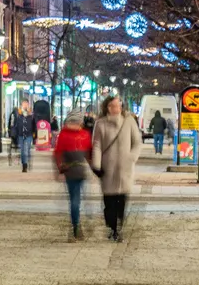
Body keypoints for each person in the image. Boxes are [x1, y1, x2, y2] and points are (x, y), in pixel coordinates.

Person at [91, 94, 141, 242]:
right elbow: (97, 146)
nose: (117, 108)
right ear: (108, 107)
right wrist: (97, 165)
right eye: (114, 105)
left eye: (119, 105)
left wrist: (132, 157)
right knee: (109, 202)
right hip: (108, 168)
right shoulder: (100, 124)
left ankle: (118, 227)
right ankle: (112, 227)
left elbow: (137, 142)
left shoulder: (129, 121)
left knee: (122, 200)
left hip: (125, 168)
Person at [53, 112, 92, 240]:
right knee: (77, 198)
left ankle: (75, 225)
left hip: (71, 170)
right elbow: (89, 153)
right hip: (78, 170)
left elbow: (58, 153)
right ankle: (76, 225)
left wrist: (59, 168)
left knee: (74, 198)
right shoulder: (84, 135)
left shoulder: (64, 135)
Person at [9, 102, 35, 172]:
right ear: (22, 106)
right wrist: (13, 133)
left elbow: (34, 125)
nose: (25, 106)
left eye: (26, 104)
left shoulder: (31, 115)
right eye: (24, 104)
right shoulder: (18, 114)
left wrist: (34, 134)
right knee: (23, 150)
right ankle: (24, 164)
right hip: (20, 135)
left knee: (27, 149)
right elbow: (15, 125)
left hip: (29, 135)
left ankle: (26, 163)